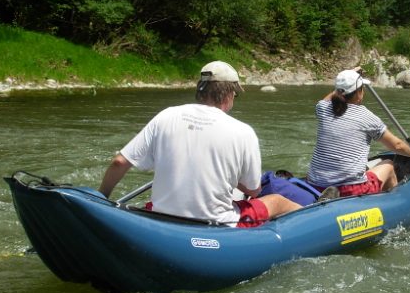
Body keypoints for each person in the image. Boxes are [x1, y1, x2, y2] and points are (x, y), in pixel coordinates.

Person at [99, 61, 301, 227]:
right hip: (216, 224)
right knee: (276, 201)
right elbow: (253, 190)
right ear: (229, 94)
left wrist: (102, 199)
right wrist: (233, 179)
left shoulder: (166, 115)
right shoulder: (243, 131)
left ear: (202, 90)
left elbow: (119, 162)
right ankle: (319, 217)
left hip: (160, 215)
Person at [307, 68, 410, 197]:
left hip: (315, 184)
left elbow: (329, 98)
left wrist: (347, 78)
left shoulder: (323, 109)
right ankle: (395, 203)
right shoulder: (366, 117)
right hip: (350, 189)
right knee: (389, 165)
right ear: (359, 93)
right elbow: (397, 145)